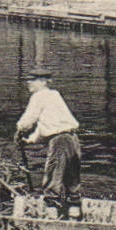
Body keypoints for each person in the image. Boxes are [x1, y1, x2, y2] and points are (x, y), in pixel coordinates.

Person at [15, 66, 82, 218]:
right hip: (73, 138)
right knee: (72, 175)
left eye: (33, 80)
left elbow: (29, 120)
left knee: (53, 174)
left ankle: (52, 210)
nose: (29, 82)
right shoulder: (54, 95)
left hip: (59, 140)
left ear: (43, 82)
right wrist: (30, 140)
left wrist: (19, 130)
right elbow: (45, 123)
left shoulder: (39, 96)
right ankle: (74, 208)